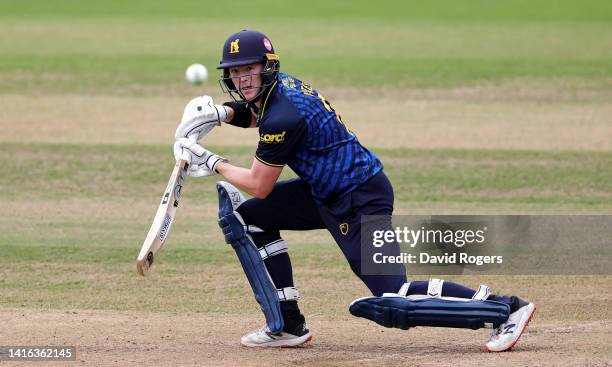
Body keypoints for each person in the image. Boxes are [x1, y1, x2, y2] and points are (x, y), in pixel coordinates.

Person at [173, 30, 535, 351]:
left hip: (359, 198)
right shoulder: (280, 90)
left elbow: (259, 184)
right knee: (249, 219)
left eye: (248, 69)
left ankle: (506, 308)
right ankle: (287, 324)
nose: (242, 79)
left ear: (267, 67)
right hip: (326, 192)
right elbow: (256, 115)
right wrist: (220, 114)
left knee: (395, 295)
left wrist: (210, 160)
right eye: (234, 72)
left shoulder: (284, 116)